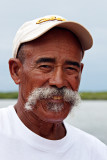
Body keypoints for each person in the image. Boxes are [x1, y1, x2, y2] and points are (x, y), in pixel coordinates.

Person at [0, 15, 107, 160]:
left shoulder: (96, 152)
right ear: (15, 71)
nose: (59, 81)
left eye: (70, 68)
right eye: (45, 66)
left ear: (80, 72)